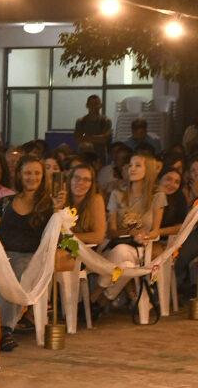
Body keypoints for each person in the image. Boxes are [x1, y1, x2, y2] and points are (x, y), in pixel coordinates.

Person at [0, 155, 56, 332]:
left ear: (43, 176)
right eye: (27, 173)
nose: (32, 177)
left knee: (16, 275)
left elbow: (56, 235)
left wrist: (58, 210)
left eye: (37, 173)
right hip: (2, 254)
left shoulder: (49, 205)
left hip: (31, 257)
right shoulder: (5, 202)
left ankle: (3, 328)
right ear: (19, 175)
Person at [94, 154, 165, 307]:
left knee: (124, 257)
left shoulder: (157, 196)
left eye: (138, 165)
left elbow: (156, 231)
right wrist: (129, 233)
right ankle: (103, 298)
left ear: (148, 170)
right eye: (130, 165)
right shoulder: (117, 194)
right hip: (116, 246)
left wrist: (145, 235)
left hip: (142, 247)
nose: (132, 169)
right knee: (126, 263)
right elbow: (111, 231)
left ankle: (97, 295)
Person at [65, 164, 107, 245]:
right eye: (77, 178)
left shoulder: (96, 200)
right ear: (70, 179)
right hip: (62, 246)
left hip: (86, 247)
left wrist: (66, 237)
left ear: (92, 184)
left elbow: (99, 237)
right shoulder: (62, 198)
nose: (80, 182)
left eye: (86, 179)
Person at [73, 95, 112, 162]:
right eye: (91, 104)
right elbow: (78, 138)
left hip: (100, 159)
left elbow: (104, 140)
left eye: (96, 104)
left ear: (101, 105)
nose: (94, 106)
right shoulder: (81, 121)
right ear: (87, 105)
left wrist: (85, 136)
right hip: (83, 157)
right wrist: (98, 137)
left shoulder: (105, 121)